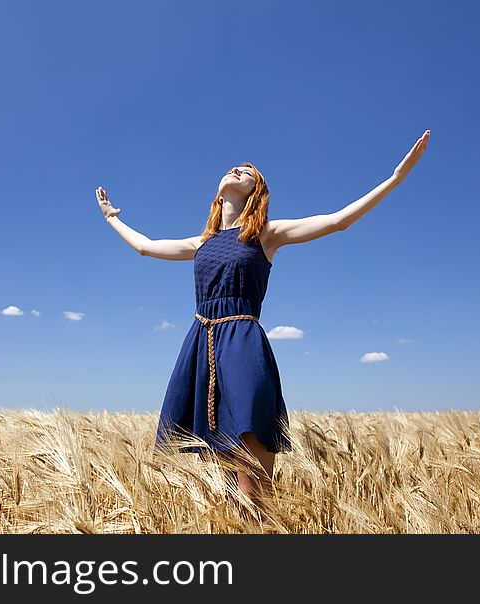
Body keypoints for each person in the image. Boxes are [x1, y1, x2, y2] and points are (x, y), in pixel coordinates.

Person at [96, 130, 431, 511]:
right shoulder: (201, 243)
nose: (237, 169)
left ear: (256, 191)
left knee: (252, 476)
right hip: (200, 344)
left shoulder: (265, 235)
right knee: (217, 483)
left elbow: (338, 221)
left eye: (248, 172)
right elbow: (145, 247)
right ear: (218, 192)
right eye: (233, 168)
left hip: (241, 340)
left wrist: (395, 178)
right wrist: (111, 219)